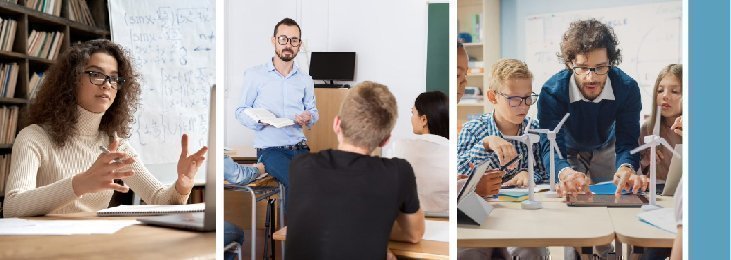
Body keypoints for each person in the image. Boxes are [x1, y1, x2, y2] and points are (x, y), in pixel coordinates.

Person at [3, 39, 208, 218]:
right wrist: (80, 184)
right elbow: (12, 206)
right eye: (96, 74)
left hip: (96, 244)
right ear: (72, 80)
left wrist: (182, 184)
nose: (107, 84)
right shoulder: (33, 137)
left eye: (114, 78)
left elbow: (159, 199)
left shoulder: (116, 146)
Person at [286, 81, 425, 259]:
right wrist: (373, 231)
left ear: (337, 124)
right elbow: (414, 234)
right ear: (385, 139)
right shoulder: (398, 172)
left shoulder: (300, 166)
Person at [536, 19, 643, 197]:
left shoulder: (627, 88)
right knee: (572, 194)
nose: (591, 77)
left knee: (616, 193)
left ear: (611, 62)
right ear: (570, 63)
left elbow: (628, 141)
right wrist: (565, 172)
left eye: (600, 67)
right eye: (583, 68)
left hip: (607, 145)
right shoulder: (552, 92)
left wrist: (626, 166)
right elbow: (550, 145)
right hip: (568, 148)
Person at [457, 59, 548, 259]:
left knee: (532, 252)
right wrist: (486, 144)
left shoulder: (535, 130)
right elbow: (459, 171)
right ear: (492, 97)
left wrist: (529, 173)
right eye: (514, 99)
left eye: (527, 98)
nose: (523, 106)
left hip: (522, 218)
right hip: (480, 216)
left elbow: (545, 172)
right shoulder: (473, 130)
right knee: (468, 252)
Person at [234, 17, 318, 190]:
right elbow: (240, 110)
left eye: (294, 40)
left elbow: (313, 112)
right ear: (274, 41)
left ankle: (296, 218)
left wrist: (308, 116)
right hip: (270, 151)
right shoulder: (255, 75)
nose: (288, 44)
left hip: (300, 149)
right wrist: (259, 120)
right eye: (283, 39)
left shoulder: (305, 80)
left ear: (299, 44)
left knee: (318, 185)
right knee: (299, 185)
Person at [384, 91, 449, 214]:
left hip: (407, 225)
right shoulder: (453, 152)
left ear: (423, 119)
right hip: (445, 224)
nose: (412, 118)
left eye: (413, 112)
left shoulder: (400, 147)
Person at [638, 64, 682, 181]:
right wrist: (647, 159)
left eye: (675, 91)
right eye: (660, 90)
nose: (665, 96)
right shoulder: (647, 128)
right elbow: (638, 172)